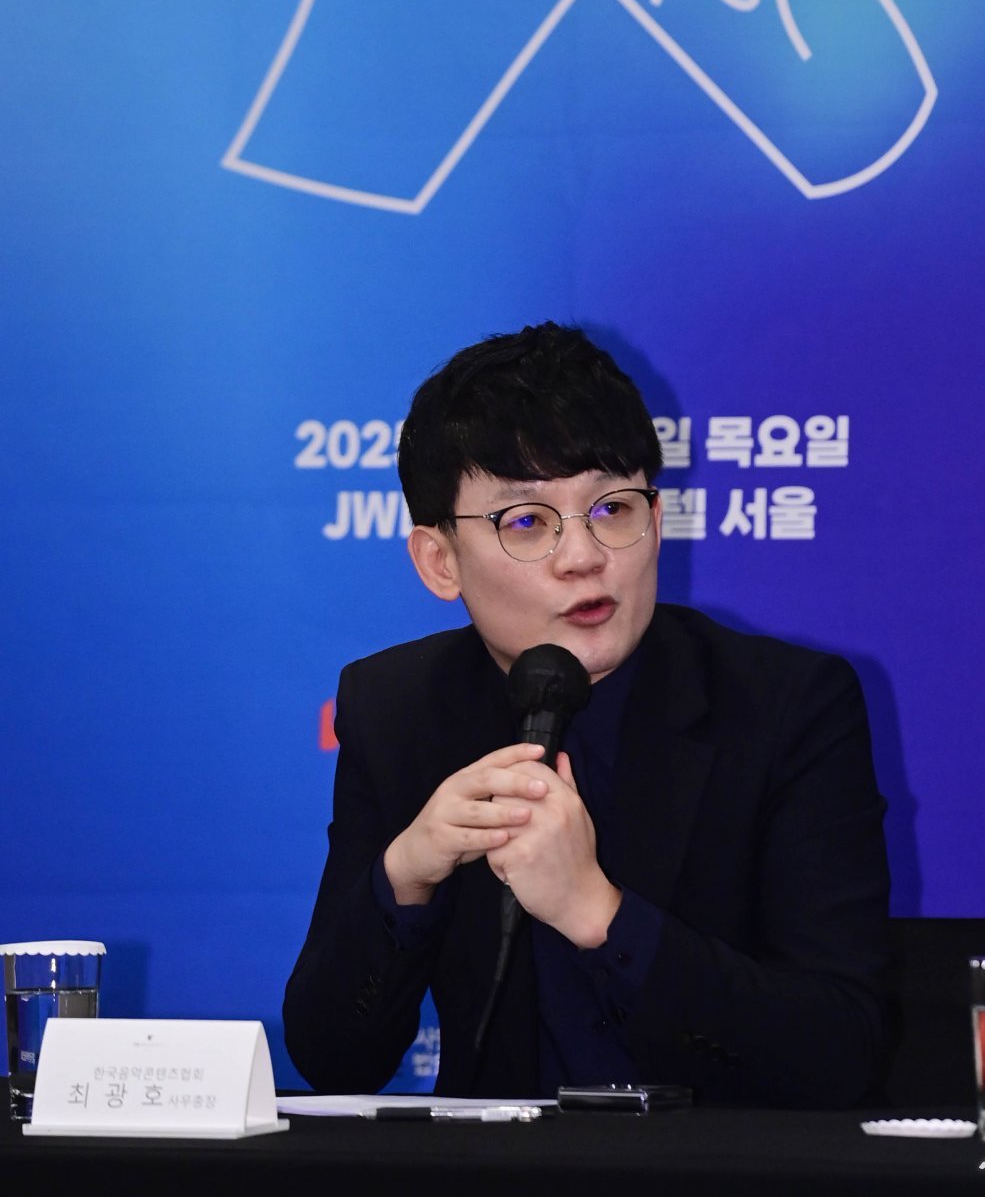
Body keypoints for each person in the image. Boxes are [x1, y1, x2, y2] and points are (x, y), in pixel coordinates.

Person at [283, 324, 890, 1105]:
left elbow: (842, 1052)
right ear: (440, 560)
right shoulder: (399, 708)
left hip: (718, 1161)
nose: (583, 556)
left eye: (611, 507)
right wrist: (407, 874)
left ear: (657, 520)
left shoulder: (785, 706)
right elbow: (333, 1061)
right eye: (528, 521)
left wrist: (597, 913)